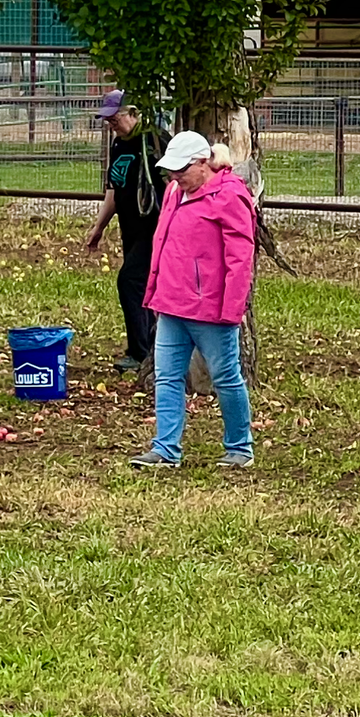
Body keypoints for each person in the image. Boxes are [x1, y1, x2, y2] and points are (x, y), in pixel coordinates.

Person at [131, 129, 257, 471]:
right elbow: (163, 243)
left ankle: (239, 447)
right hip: (171, 304)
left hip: (211, 310)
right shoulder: (174, 191)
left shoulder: (230, 197)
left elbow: (240, 258)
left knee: (226, 377)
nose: (174, 177)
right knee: (167, 376)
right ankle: (165, 448)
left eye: (181, 170)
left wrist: (231, 310)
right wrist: (155, 291)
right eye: (171, 172)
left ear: (204, 164)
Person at [82, 93, 167, 374]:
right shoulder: (119, 144)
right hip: (130, 227)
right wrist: (99, 227)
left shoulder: (156, 142)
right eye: (107, 119)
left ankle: (140, 352)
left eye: (114, 117)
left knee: (130, 281)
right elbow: (114, 190)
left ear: (132, 111)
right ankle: (151, 346)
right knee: (141, 286)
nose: (111, 124)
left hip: (154, 228)